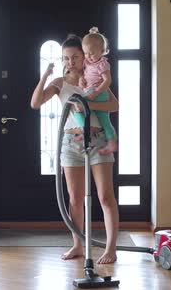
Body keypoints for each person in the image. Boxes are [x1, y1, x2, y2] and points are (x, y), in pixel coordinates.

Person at [30, 34, 119, 264]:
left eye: (75, 57)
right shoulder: (60, 83)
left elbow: (114, 105)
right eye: (66, 58)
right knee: (75, 198)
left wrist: (87, 104)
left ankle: (110, 249)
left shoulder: (94, 77)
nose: (71, 62)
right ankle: (78, 245)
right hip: (70, 144)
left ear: (84, 56)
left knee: (105, 197)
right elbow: (35, 102)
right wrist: (45, 76)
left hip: (97, 139)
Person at [73, 27, 118, 155]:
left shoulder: (102, 64)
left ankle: (111, 143)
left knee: (102, 120)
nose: (88, 56)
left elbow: (107, 80)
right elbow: (84, 74)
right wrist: (82, 79)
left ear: (102, 51)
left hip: (98, 93)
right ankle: (88, 131)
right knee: (80, 111)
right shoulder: (87, 62)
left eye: (92, 53)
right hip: (90, 91)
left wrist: (96, 92)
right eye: (86, 53)